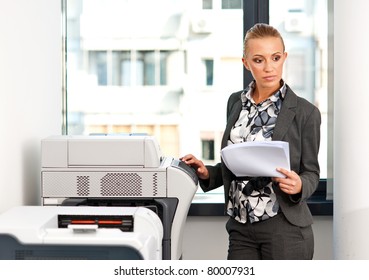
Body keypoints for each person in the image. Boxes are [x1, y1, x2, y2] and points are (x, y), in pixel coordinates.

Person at [180, 23, 321, 260]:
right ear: (246, 63)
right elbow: (238, 161)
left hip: (285, 229)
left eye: (275, 58)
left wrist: (299, 186)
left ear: (284, 57)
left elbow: (311, 173)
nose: (269, 67)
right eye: (259, 60)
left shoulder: (305, 112)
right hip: (241, 227)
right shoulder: (235, 103)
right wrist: (208, 173)